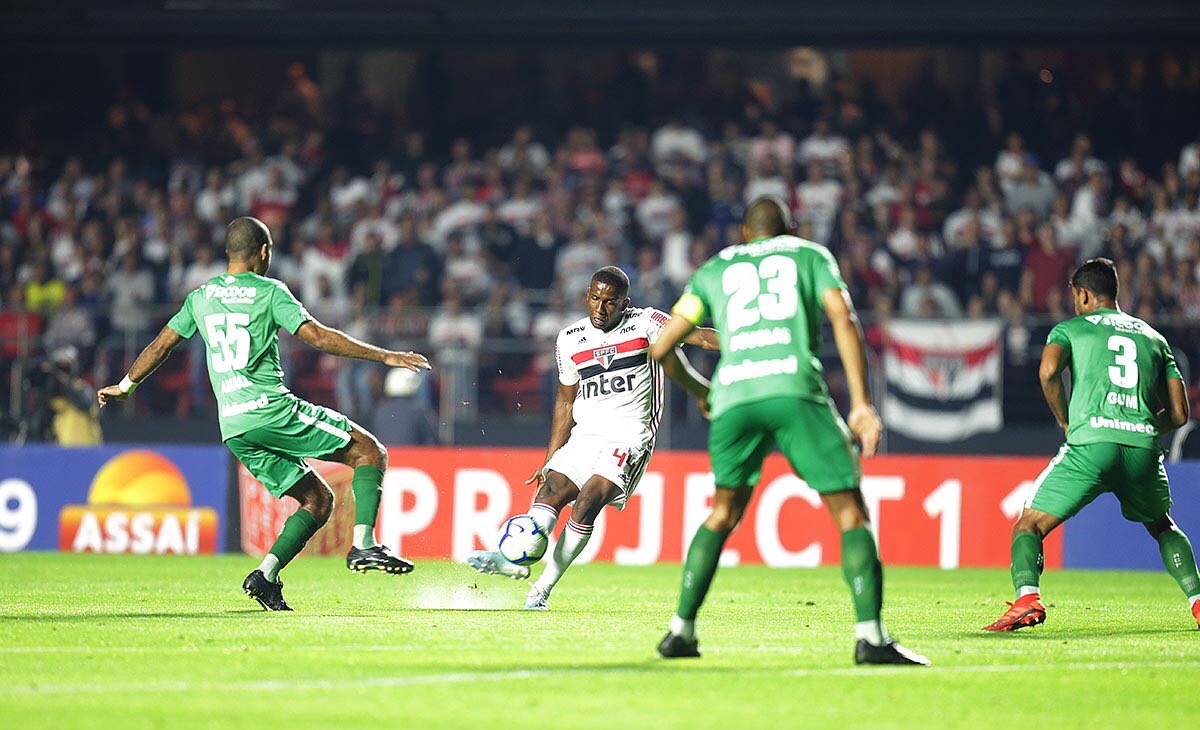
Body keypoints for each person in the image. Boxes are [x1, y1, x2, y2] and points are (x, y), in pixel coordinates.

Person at [97, 217, 432, 611]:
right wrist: (386, 355)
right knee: (370, 452)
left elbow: (160, 346)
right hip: (271, 411)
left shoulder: (201, 296)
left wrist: (125, 386)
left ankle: (265, 577)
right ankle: (364, 545)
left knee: (317, 499)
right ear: (262, 252)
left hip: (234, 428)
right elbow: (317, 336)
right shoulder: (270, 291)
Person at [649, 197, 928, 666]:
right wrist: (861, 404)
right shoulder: (810, 255)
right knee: (850, 513)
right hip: (794, 388)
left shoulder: (713, 269)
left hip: (735, 396)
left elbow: (662, 348)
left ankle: (681, 630)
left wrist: (703, 391)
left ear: (745, 232)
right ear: (790, 229)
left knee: (722, 512)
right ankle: (871, 638)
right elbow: (843, 316)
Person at [466, 266, 718, 610]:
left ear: (624, 303)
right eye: (595, 298)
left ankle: (541, 589)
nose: (600, 308)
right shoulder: (570, 338)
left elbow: (699, 336)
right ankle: (513, 559)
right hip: (585, 436)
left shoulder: (645, 322)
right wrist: (550, 458)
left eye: (610, 302)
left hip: (629, 436)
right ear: (586, 296)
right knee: (550, 490)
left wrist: (749, 343)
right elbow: (565, 401)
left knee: (588, 500)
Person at [984, 258, 1199, 632]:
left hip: (1091, 445)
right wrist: (1143, 425)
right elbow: (1180, 413)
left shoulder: (1070, 329)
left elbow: (1048, 372)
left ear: (1083, 294)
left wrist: (1065, 419)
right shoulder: (1154, 338)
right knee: (1163, 526)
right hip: (1142, 449)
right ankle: (1197, 601)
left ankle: (1027, 600)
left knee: (1029, 525)